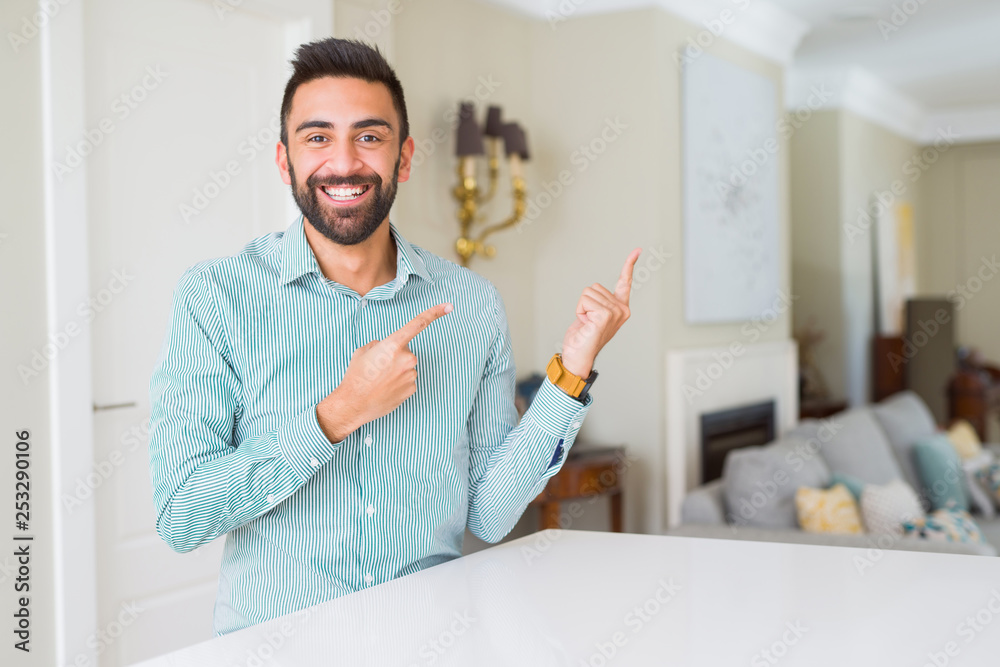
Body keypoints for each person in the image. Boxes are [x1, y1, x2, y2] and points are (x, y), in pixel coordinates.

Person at [148, 37, 640, 637]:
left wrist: (574, 366)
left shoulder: (470, 305)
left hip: (431, 635)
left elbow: (490, 513)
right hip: (278, 643)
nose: (345, 161)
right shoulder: (214, 300)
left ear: (403, 159)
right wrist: (338, 413)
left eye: (370, 136)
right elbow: (181, 515)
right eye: (318, 137)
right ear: (285, 161)